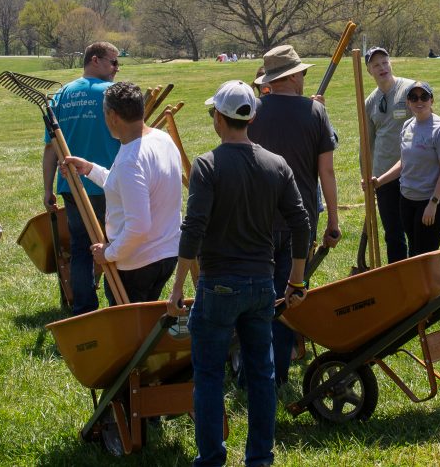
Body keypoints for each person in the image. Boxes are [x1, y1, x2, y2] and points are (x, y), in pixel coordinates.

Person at [166, 80, 310, 467]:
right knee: (262, 375)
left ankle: (212, 459)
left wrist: (177, 288)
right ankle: (260, 459)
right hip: (263, 286)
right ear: (250, 117)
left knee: (210, 376)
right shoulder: (276, 165)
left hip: (218, 287)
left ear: (218, 117)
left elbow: (192, 229)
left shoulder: (208, 165)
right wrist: (296, 280)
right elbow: (301, 223)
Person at [248, 44, 340, 385]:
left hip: (256, 219)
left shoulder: (253, 111)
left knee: (257, 295)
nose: (303, 79)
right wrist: (333, 218)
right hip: (298, 219)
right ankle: (278, 375)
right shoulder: (315, 114)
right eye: (302, 73)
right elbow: (326, 173)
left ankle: (254, 370)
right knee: (289, 295)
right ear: (294, 76)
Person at [58, 81, 183, 304]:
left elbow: (138, 226)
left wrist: (108, 253)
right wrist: (89, 169)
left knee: (130, 333)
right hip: (166, 254)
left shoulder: (130, 159)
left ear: (113, 116)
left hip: (138, 263)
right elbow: (128, 188)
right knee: (146, 327)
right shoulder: (162, 140)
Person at [42, 41, 121, 315]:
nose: (116, 69)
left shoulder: (61, 95)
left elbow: (50, 148)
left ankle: (84, 309)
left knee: (80, 248)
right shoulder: (113, 94)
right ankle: (117, 305)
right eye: (113, 62)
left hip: (71, 185)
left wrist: (47, 189)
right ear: (95, 60)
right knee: (114, 244)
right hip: (108, 182)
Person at [373, 81, 440, 257]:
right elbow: (404, 162)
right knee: (414, 250)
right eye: (413, 97)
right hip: (408, 199)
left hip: (433, 201)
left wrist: (433, 203)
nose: (419, 101)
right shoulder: (407, 126)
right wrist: (379, 181)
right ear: (408, 102)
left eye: (424, 97)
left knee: (423, 253)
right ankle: (418, 284)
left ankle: (437, 284)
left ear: (431, 100)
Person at [362, 47, 415, 263]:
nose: (382, 68)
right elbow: (367, 143)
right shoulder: (370, 102)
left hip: (411, 171)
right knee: (392, 233)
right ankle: (398, 278)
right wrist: (366, 174)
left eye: (385, 62)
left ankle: (417, 274)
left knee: (414, 229)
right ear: (369, 71)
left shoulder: (410, 89)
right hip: (383, 177)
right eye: (376, 65)